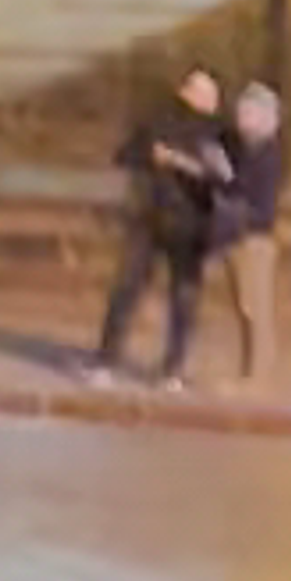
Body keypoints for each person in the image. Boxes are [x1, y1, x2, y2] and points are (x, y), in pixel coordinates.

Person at [96, 66, 232, 388]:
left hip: (190, 224)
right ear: (184, 92)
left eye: (210, 94)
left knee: (184, 297)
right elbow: (124, 154)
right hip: (149, 216)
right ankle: (107, 359)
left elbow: (226, 178)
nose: (206, 99)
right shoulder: (158, 121)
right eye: (199, 92)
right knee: (127, 288)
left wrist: (186, 165)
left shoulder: (220, 133)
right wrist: (150, 155)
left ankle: (173, 367)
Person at [211, 80, 288, 382]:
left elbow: (258, 200)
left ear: (265, 117)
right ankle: (252, 372)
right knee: (245, 307)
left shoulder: (267, 153)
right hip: (240, 234)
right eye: (241, 112)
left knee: (255, 310)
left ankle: (257, 377)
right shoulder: (244, 149)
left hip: (254, 238)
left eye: (249, 113)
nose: (242, 119)